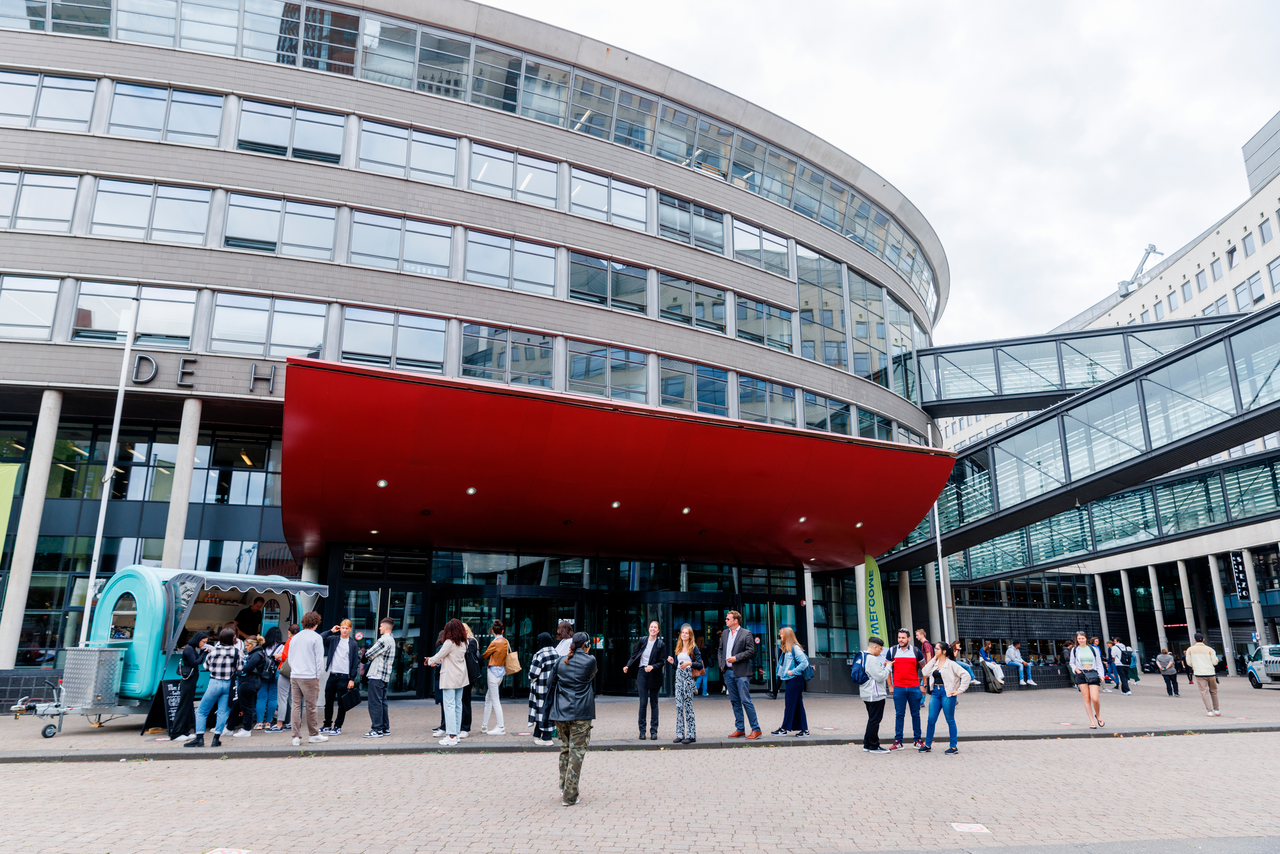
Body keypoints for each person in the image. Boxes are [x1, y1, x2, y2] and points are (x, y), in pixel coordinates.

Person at [548, 632, 597, 806]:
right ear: (586, 644)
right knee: (577, 752)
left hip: (561, 712)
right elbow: (591, 678)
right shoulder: (590, 660)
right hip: (581, 713)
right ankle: (569, 796)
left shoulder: (561, 661)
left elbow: (550, 684)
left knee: (565, 748)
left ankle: (564, 787)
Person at [186, 627, 244, 748]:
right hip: (229, 684)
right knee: (223, 712)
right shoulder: (236, 652)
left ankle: (199, 738)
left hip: (214, 683)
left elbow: (206, 666)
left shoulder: (214, 652)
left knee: (202, 711)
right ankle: (216, 739)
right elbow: (240, 669)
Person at [920, 640, 972, 754]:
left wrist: (960, 690)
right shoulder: (934, 662)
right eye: (935, 649)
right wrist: (934, 658)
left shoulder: (951, 664)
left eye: (937, 649)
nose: (935, 650)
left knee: (950, 720)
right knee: (931, 719)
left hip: (947, 693)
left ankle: (953, 747)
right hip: (935, 693)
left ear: (944, 651)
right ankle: (927, 745)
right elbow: (924, 671)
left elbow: (966, 675)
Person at [718, 610, 761, 739]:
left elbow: (751, 651)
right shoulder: (725, 633)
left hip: (741, 673)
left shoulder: (746, 633)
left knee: (745, 701)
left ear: (735, 621)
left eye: (728, 619)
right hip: (728, 672)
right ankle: (740, 729)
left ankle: (756, 729)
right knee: (735, 702)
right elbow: (720, 650)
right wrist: (722, 664)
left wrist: (736, 658)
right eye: (726, 618)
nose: (725, 620)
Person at [427, 618, 470, 746]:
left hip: (449, 678)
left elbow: (439, 655)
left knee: (449, 706)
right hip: (460, 677)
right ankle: (455, 734)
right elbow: (448, 658)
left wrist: (429, 661)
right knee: (458, 705)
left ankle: (451, 735)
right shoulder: (464, 643)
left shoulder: (449, 643)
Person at [289, 611, 328, 746]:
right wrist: (318, 675)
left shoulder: (295, 638)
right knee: (311, 706)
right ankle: (313, 734)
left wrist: (294, 669)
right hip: (310, 675)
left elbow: (290, 658)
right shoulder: (316, 638)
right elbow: (319, 659)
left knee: (295, 706)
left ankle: (295, 736)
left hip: (295, 675)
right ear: (316, 623)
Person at [623, 620, 667, 739]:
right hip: (642, 673)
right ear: (649, 629)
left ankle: (654, 731)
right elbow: (634, 655)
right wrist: (628, 665)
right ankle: (642, 731)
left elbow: (662, 662)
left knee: (654, 704)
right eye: (651, 627)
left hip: (654, 674)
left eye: (655, 627)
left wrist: (652, 667)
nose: (653, 629)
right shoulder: (642, 641)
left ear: (658, 630)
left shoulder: (660, 645)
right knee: (643, 703)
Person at [320, 619, 360, 736]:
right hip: (332, 675)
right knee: (328, 701)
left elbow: (354, 663)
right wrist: (331, 631)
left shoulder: (352, 644)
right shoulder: (333, 639)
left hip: (344, 677)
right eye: (342, 628)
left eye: (347, 628)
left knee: (342, 703)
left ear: (350, 629)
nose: (344, 630)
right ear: (339, 628)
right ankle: (327, 724)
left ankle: (338, 726)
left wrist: (352, 678)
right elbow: (320, 638)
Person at [887, 628, 924, 750]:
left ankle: (917, 740)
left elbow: (924, 667)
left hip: (914, 687)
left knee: (916, 714)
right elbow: (886, 669)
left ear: (908, 638)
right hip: (898, 687)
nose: (900, 640)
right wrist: (890, 686)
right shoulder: (892, 651)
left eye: (903, 638)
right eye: (899, 637)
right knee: (899, 714)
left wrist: (924, 685)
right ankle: (898, 742)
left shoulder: (916, 651)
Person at [666, 623, 702, 744]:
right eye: (683, 632)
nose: (684, 634)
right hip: (679, 678)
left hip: (688, 679)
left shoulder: (694, 648)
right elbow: (677, 667)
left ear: (690, 635)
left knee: (688, 707)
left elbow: (700, 664)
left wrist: (689, 664)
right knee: (678, 706)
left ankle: (691, 735)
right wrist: (672, 663)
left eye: (686, 633)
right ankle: (680, 734)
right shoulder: (678, 648)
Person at [772, 626, 810, 737]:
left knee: (790, 705)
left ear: (787, 635)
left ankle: (783, 729)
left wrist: (792, 672)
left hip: (795, 680)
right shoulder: (787, 649)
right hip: (792, 680)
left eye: (781, 633)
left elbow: (804, 663)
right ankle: (805, 730)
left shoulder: (795, 648)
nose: (780, 635)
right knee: (798, 705)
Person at [362, 617, 396, 738]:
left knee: (375, 703)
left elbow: (368, 654)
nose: (380, 628)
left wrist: (369, 655)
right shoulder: (392, 640)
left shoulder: (383, 640)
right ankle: (385, 728)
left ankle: (377, 729)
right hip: (384, 675)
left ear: (386, 627)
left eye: (381, 626)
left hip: (377, 674)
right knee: (382, 702)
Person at [526, 632, 559, 746]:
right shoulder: (556, 653)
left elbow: (533, 673)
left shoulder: (540, 654)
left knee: (540, 711)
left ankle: (546, 737)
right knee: (548, 710)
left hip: (540, 688)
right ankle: (537, 735)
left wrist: (530, 678)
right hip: (553, 688)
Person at [173, 631, 208, 741]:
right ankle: (177, 732)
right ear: (198, 640)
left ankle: (185, 730)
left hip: (191, 680)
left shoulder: (191, 649)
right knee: (184, 705)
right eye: (203, 642)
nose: (204, 644)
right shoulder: (189, 649)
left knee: (188, 705)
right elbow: (195, 662)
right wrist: (203, 653)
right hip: (188, 680)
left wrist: (202, 652)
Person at [859, 636, 891, 753]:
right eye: (881, 649)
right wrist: (888, 667)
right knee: (875, 720)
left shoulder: (863, 656)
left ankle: (867, 744)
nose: (881, 651)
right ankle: (874, 745)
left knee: (872, 719)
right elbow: (880, 676)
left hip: (868, 692)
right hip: (875, 694)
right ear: (875, 647)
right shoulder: (871, 659)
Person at [1069, 631, 1106, 729]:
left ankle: (1098, 715)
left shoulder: (1093, 649)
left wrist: (1101, 675)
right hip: (1081, 674)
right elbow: (1071, 662)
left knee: (1095, 698)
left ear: (1086, 639)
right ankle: (1092, 721)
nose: (1081, 640)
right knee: (1087, 699)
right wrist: (1075, 669)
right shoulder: (1075, 650)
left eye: (1082, 638)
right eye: (1079, 639)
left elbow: (1099, 663)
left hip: (1093, 673)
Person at [232, 634, 266, 738]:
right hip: (252, 682)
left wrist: (240, 668)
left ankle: (247, 729)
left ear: (252, 645)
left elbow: (247, 669)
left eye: (247, 645)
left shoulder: (256, 655)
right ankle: (245, 728)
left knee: (246, 706)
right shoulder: (258, 653)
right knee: (247, 705)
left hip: (249, 682)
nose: (246, 647)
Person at [482, 620, 509, 735]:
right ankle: (484, 725)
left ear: (493, 631)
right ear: (503, 631)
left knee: (495, 700)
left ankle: (501, 726)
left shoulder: (494, 643)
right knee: (489, 698)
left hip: (492, 672)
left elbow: (485, 655)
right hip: (501, 672)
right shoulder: (505, 641)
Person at [270, 624, 299, 732]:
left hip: (285, 672)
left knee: (282, 698)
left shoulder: (289, 641)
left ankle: (279, 723)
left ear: (289, 632)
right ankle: (293, 722)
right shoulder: (300, 642)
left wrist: (278, 656)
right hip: (296, 673)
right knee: (293, 699)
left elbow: (285, 656)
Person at [1185, 632, 1221, 716]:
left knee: (1204, 692)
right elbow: (1215, 662)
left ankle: (1209, 711)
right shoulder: (1210, 649)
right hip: (1211, 673)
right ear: (1203, 639)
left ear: (1195, 640)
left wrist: (1195, 665)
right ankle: (1217, 710)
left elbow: (1189, 662)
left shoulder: (1190, 650)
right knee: (1214, 691)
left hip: (1199, 673)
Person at [255, 626, 283, 730]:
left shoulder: (262, 647)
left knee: (261, 698)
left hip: (263, 674)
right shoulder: (282, 647)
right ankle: (268, 722)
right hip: (275, 673)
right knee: (273, 698)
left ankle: (259, 723)